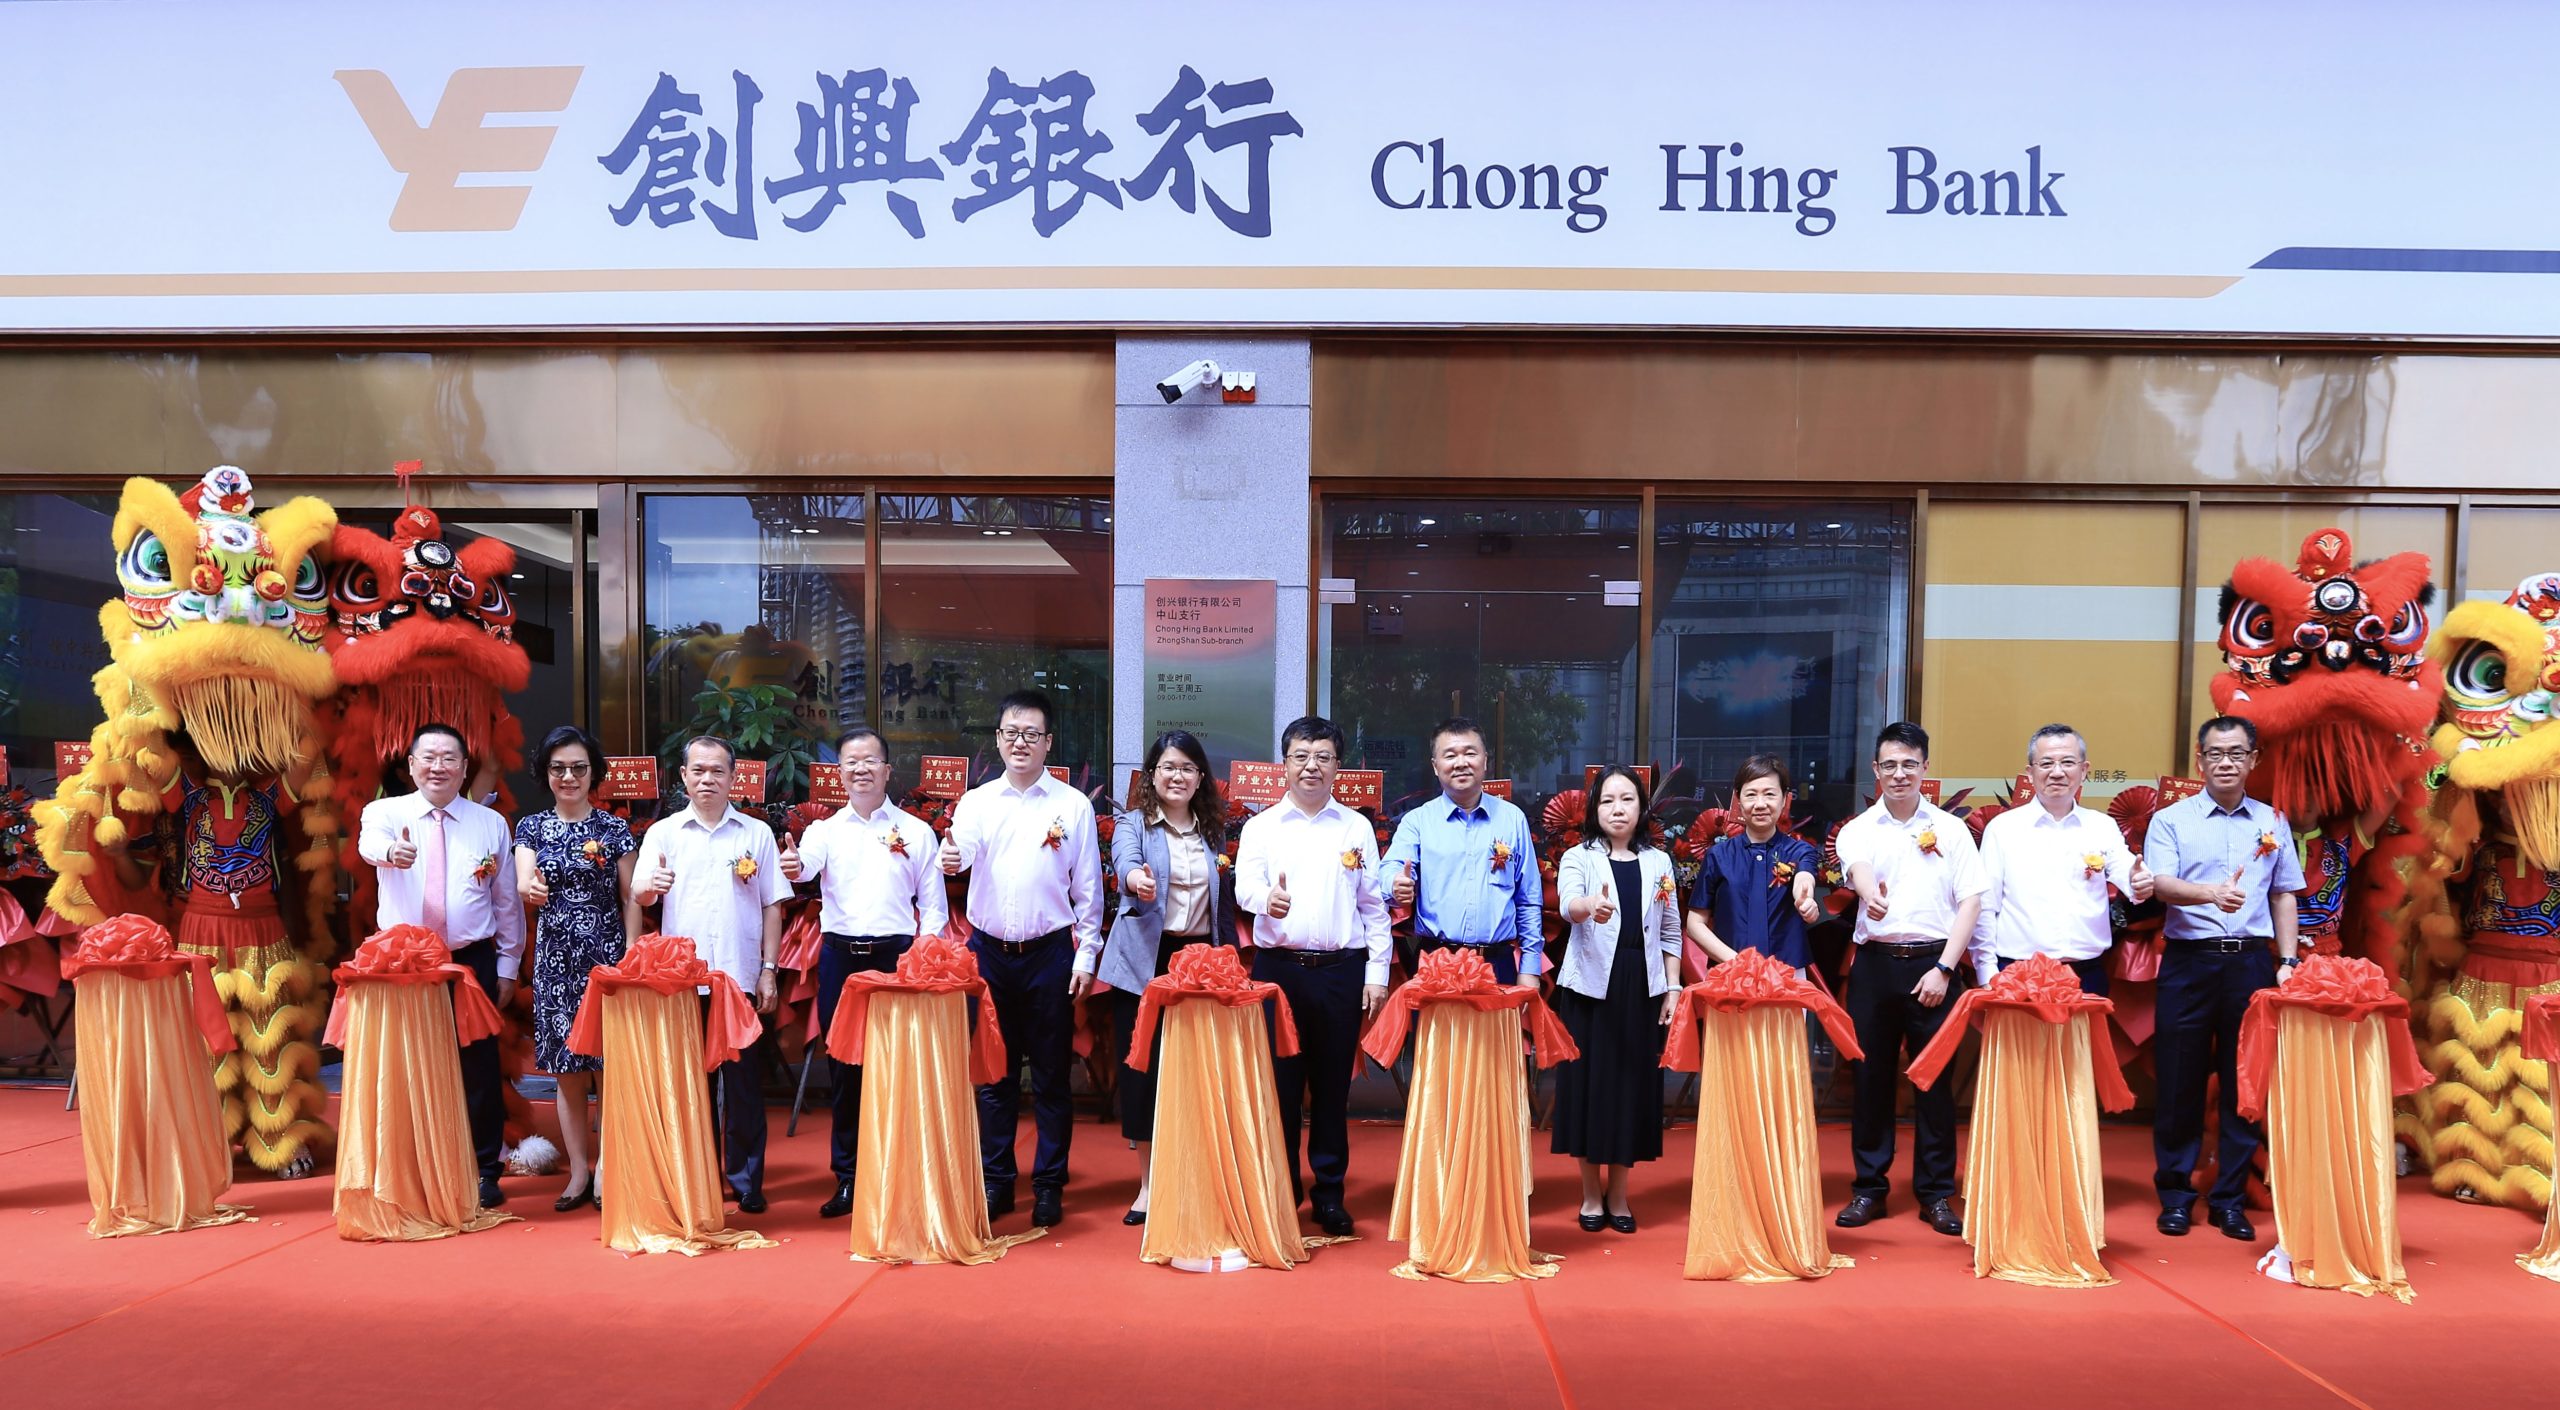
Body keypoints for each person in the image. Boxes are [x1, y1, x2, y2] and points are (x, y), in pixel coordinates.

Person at [938, 689, 1102, 1229]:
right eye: (1012, 733)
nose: (1021, 743)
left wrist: (1086, 956)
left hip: (1050, 954)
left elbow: (1088, 889)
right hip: (989, 954)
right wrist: (950, 857)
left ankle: (1049, 1184)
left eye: (1032, 734)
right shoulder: (978, 802)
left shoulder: (1072, 806)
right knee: (995, 1075)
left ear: (1049, 742)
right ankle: (998, 1181)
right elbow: (958, 854)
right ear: (998, 739)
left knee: (1052, 1076)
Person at [2141, 715, 2305, 1241]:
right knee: (2179, 1081)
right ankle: (2175, 1196)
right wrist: (2210, 893)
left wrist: (2288, 961)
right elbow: (2160, 884)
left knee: (2244, 1083)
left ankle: (2229, 1200)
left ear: (2253, 759)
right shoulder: (2171, 819)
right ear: (2200, 760)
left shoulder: (2272, 821)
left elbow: (2283, 893)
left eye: (2236, 753)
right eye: (2215, 753)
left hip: (2250, 964)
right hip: (2189, 962)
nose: (2226, 762)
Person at [781, 727, 950, 1220]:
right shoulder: (824, 831)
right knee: (845, 1069)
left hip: (897, 958)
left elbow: (933, 908)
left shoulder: (916, 831)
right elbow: (803, 868)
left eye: (870, 761)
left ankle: (902, 1171)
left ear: (887, 770)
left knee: (900, 1067)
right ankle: (850, 1177)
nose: (860, 769)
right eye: (851, 762)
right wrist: (792, 864)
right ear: (839, 773)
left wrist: (923, 961)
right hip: (842, 960)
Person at [357, 722, 525, 1209]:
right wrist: (393, 853)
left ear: (464, 767)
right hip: (405, 960)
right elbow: (369, 846)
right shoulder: (385, 813)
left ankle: (484, 1169)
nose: (438, 767)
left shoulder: (489, 823)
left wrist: (508, 964)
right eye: (428, 757)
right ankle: (405, 1167)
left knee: (478, 1067)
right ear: (411, 766)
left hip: (472, 959)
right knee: (404, 1064)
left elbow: (506, 901)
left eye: (449, 758)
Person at [1233, 715, 1391, 1236]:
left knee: (1330, 1088)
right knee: (1280, 1087)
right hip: (1280, 973)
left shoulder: (1355, 828)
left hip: (1341, 972)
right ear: (1284, 764)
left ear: (1337, 766)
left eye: (1323, 757)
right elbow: (1244, 887)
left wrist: (1377, 973)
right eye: (1301, 756)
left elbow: (1373, 906)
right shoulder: (1261, 827)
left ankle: (1329, 1194)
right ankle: (1281, 1191)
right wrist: (1267, 899)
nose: (1311, 766)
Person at [1072, 729, 1236, 1226]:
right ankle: (1147, 1184)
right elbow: (1124, 864)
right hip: (1146, 960)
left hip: (1200, 964)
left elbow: (1223, 900)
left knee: (1196, 1070)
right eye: (1168, 767)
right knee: (1142, 1072)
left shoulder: (1213, 831)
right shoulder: (1133, 824)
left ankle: (1195, 1174)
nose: (1177, 776)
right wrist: (1135, 880)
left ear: (1200, 777)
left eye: (1187, 768)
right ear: (1151, 774)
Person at [1833, 722, 1983, 1237]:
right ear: (1876, 770)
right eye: (1890, 765)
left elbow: (1971, 902)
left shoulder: (1951, 830)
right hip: (1875, 966)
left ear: (1925, 768)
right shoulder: (1859, 828)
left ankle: (1936, 1194)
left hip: (1933, 965)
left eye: (1910, 764)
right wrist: (1867, 891)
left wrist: (1945, 969)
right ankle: (1869, 1188)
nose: (1900, 774)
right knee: (1870, 1079)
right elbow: (1857, 866)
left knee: (1934, 1083)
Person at [630, 735, 790, 1214]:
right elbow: (639, 893)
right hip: (683, 981)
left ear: (733, 777)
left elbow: (772, 904)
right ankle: (695, 1177)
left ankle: (746, 1181)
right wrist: (650, 886)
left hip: (739, 978)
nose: (707, 779)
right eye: (698, 770)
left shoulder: (755, 834)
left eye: (718, 770)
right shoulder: (664, 833)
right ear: (683, 776)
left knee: (743, 1088)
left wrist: (768, 970)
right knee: (690, 1087)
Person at [511, 724, 640, 1214]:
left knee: (607, 1067)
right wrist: (531, 888)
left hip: (606, 958)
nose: (569, 777)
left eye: (578, 768)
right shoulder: (531, 827)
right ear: (545, 773)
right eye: (558, 768)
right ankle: (578, 1172)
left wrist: (632, 950)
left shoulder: (613, 828)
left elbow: (631, 896)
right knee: (567, 1070)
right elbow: (525, 881)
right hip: (556, 962)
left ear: (594, 773)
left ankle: (607, 1165)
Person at [1550, 765, 1682, 1234]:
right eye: (1607, 800)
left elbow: (1671, 929)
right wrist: (1590, 906)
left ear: (1642, 807)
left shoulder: (1659, 862)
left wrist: (1672, 987)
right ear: (1594, 808)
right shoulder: (1578, 857)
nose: (1618, 808)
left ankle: (1620, 1194)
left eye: (1627, 799)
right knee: (1589, 1088)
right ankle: (1590, 1194)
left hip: (1641, 985)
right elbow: (1568, 904)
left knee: (1631, 1088)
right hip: (1589, 988)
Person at [1975, 723, 2155, 994]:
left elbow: (2127, 871)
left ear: (2084, 770)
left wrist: (2138, 882)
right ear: (2030, 772)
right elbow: (1985, 906)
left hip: (2086, 973)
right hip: (2018, 974)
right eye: (2046, 763)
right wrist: (1987, 971)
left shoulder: (2101, 826)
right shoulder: (2003, 828)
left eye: (2068, 762)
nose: (2057, 772)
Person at [1385, 716, 1541, 989]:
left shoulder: (1512, 819)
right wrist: (1395, 884)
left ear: (1485, 761)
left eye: (1470, 753)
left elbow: (1528, 898)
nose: (1460, 763)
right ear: (1435, 766)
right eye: (1450, 755)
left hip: (1497, 964)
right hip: (1437, 963)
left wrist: (1530, 968)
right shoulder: (1417, 821)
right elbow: (1391, 869)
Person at [1685, 756, 1824, 972]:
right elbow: (1695, 924)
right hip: (1730, 972)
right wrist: (1737, 962)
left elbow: (1804, 879)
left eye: (1769, 794)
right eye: (1751, 795)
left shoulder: (1799, 851)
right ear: (1738, 800)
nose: (1760, 804)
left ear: (1784, 799)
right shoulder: (1719, 855)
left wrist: (1805, 900)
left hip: (1787, 973)